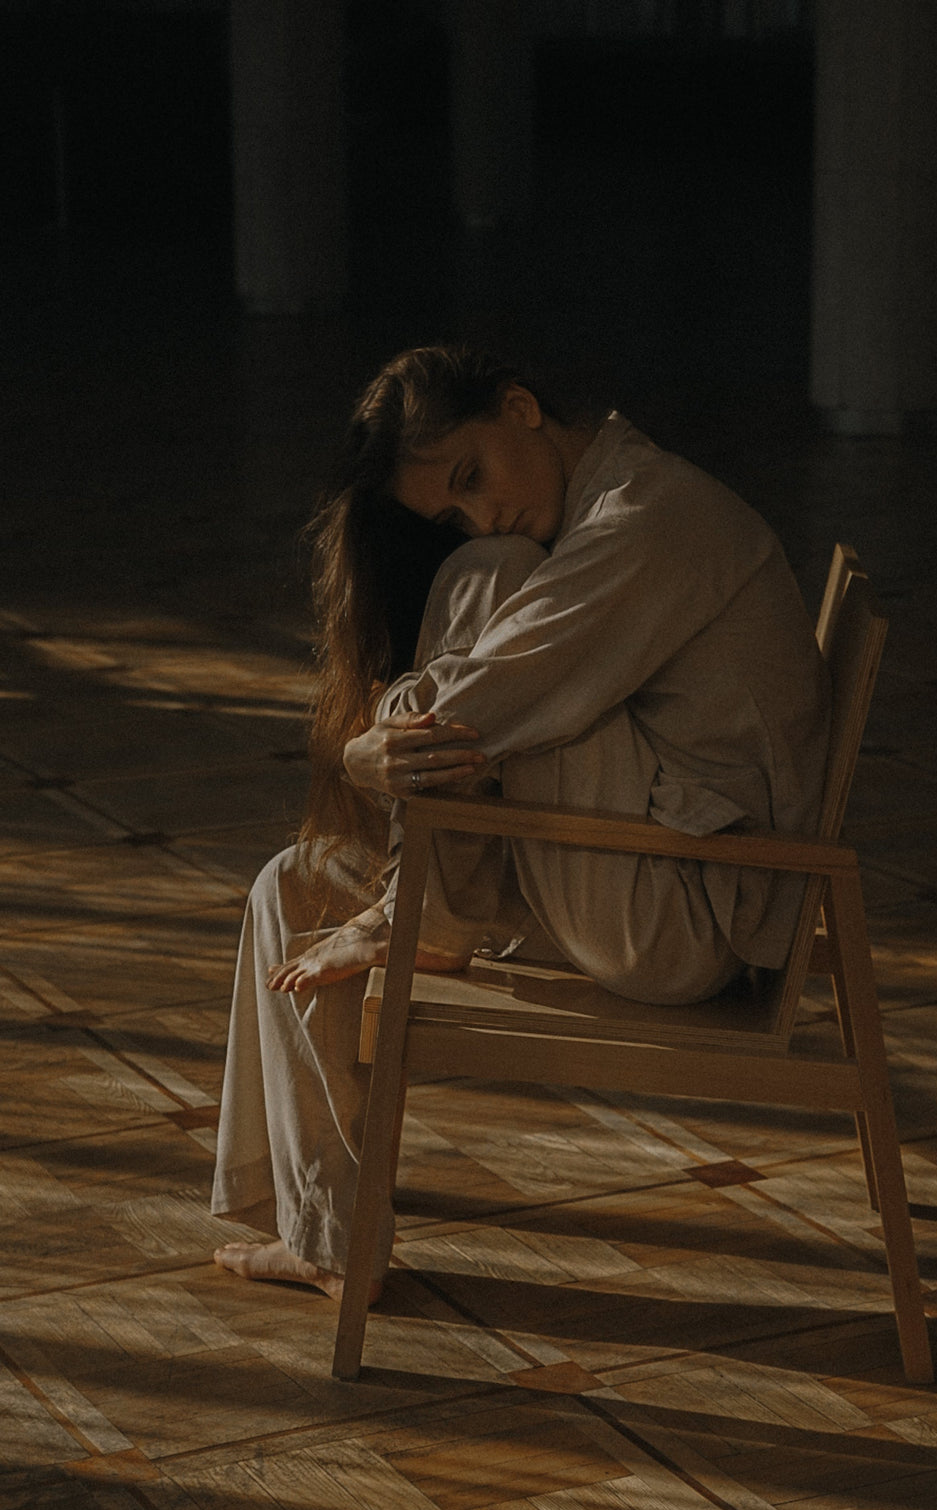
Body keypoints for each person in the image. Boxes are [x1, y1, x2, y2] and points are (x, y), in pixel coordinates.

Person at [211, 344, 830, 1301]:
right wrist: (378, 751)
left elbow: (478, 709)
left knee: (489, 580)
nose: (481, 510)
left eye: (473, 475)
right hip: (617, 863)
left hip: (686, 912)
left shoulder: (649, 517)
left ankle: (431, 920)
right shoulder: (601, 514)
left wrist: (367, 742)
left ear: (522, 407)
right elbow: (480, 707)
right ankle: (326, 1238)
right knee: (290, 888)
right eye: (450, 510)